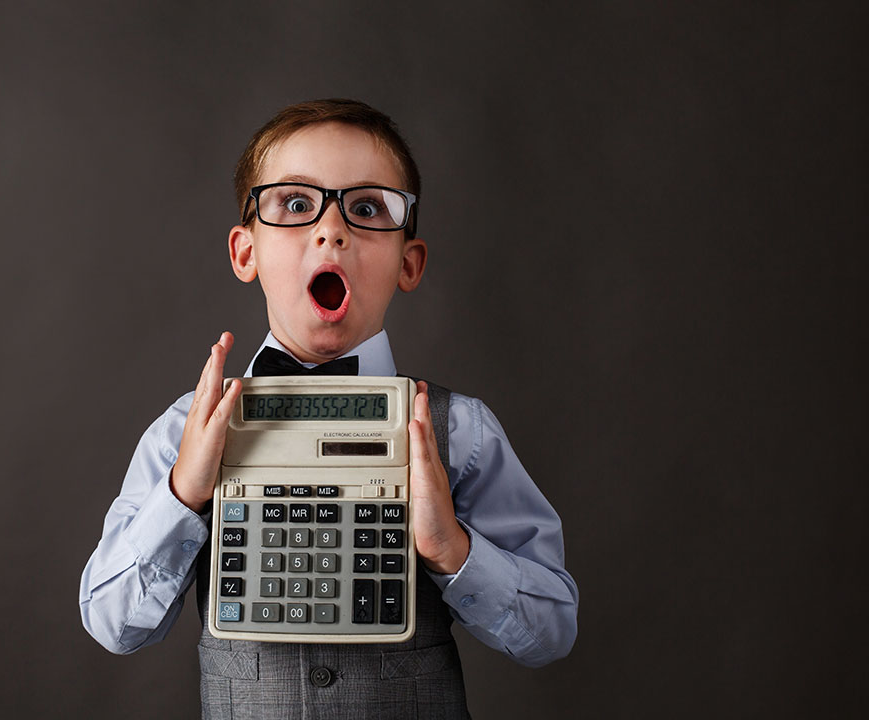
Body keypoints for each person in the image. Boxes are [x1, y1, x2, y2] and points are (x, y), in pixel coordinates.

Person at [79, 99, 578, 719]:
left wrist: (453, 548)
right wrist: (183, 495)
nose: (330, 229)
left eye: (367, 208)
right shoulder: (187, 432)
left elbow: (552, 631)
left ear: (409, 262)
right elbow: (112, 623)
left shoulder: (460, 431)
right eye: (294, 204)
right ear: (245, 253)